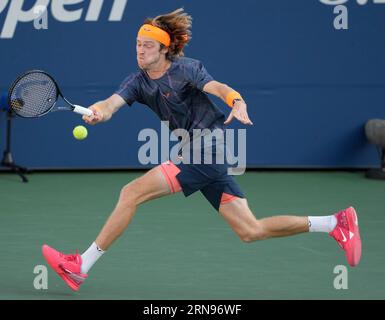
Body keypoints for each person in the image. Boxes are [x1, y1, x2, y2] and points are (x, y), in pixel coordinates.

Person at [42, 8, 361, 292]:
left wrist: (236, 99)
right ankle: (335, 223)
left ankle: (80, 266)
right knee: (250, 230)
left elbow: (218, 88)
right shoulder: (137, 81)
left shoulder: (186, 69)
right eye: (138, 44)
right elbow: (110, 104)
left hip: (208, 147)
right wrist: (97, 112)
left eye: (148, 45)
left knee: (131, 193)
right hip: (201, 153)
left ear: (164, 49)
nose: (140, 51)